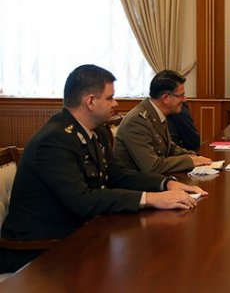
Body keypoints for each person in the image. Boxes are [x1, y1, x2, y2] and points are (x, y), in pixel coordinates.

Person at [0, 65, 206, 273]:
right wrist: (150, 198)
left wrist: (166, 184)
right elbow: (82, 200)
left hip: (80, 233)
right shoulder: (54, 140)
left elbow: (118, 175)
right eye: (110, 98)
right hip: (40, 249)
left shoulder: (95, 131)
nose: (115, 103)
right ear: (90, 101)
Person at [114, 70, 212, 173]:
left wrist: (193, 156)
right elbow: (152, 166)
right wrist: (190, 161)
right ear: (165, 98)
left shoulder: (155, 113)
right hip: (137, 182)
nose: (184, 99)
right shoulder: (137, 121)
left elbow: (169, 148)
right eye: (181, 95)